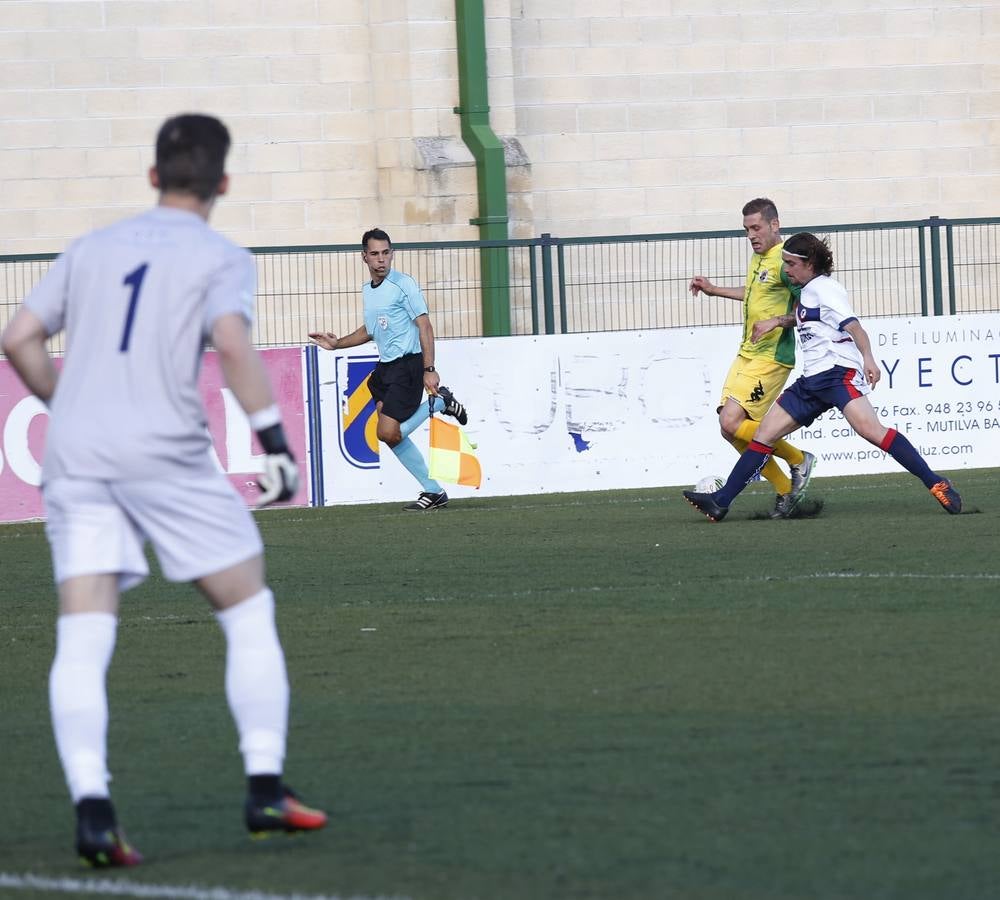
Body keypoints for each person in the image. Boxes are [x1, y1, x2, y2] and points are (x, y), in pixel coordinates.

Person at [0, 114, 327, 867]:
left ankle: (92, 812)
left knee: (83, 634)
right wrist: (274, 442)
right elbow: (234, 344)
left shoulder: (90, 248)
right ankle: (265, 787)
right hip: (166, 452)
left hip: (79, 455)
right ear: (223, 183)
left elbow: (18, 338)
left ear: (152, 176)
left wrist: (69, 402)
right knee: (247, 610)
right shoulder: (220, 256)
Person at [683, 232, 962, 522]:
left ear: (810, 263)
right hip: (812, 381)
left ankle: (936, 482)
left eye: (791, 264)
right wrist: (777, 321)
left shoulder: (826, 288)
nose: (787, 269)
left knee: (873, 432)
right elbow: (806, 317)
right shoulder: (808, 291)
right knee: (764, 435)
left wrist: (868, 357)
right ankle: (720, 501)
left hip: (836, 375)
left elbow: (854, 326)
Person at [308, 228, 469, 511]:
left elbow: (425, 325)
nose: (381, 259)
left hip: (408, 365)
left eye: (385, 253)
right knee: (391, 436)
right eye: (374, 254)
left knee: (387, 432)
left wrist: (429, 368)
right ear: (364, 257)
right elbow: (370, 330)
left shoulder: (403, 285)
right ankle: (433, 491)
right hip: (384, 369)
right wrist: (338, 344)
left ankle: (441, 401)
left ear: (391, 254)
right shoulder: (367, 291)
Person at [689, 198, 816, 518]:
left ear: (775, 225)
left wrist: (776, 321)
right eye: (747, 229)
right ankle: (785, 488)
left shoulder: (785, 262)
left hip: (772, 357)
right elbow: (754, 292)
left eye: (756, 228)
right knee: (728, 429)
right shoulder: (760, 258)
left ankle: (798, 458)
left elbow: (807, 308)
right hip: (746, 353)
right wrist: (714, 290)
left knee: (731, 421)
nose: (751, 235)